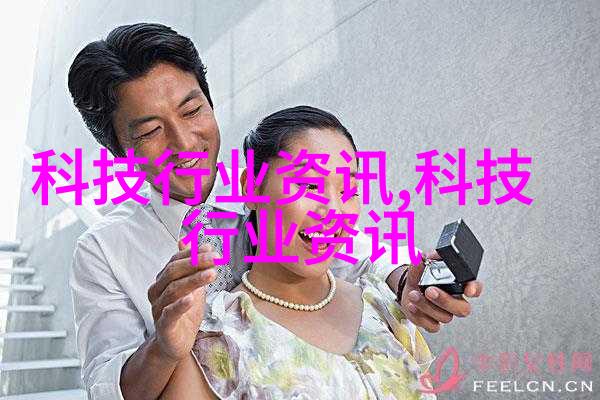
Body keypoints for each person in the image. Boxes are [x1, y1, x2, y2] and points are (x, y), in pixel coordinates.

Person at [67, 23, 483, 400]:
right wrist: (164, 348)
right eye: (151, 131)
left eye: (192, 111)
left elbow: (355, 249)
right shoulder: (104, 249)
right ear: (118, 151)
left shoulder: (267, 188)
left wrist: (406, 282)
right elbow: (105, 384)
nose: (184, 141)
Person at [159, 105, 437, 399]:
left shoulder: (384, 307)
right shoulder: (218, 341)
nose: (334, 211)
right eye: (309, 185)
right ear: (252, 188)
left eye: (348, 191)